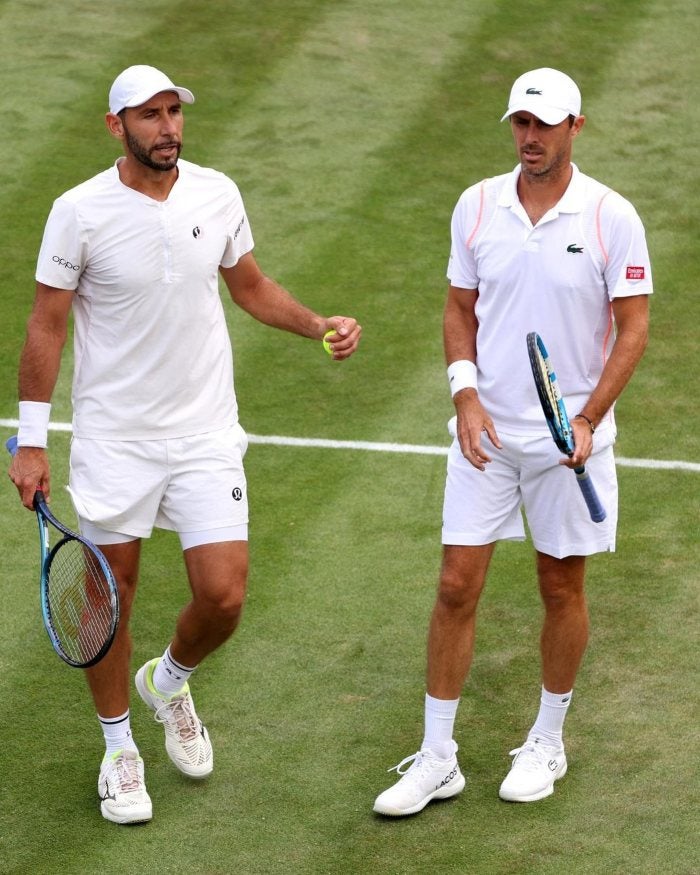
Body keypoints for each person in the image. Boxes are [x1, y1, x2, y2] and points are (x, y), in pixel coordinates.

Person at [9, 64, 361, 825]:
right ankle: (118, 750)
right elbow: (47, 324)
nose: (167, 126)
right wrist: (30, 442)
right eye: (150, 115)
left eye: (174, 112)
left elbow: (251, 286)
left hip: (205, 433)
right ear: (116, 127)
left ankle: (167, 682)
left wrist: (316, 323)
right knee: (109, 597)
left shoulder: (217, 193)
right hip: (115, 439)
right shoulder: (78, 213)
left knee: (225, 595)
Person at [373, 67, 651, 816]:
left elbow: (635, 328)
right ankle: (437, 757)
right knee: (455, 585)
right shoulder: (476, 206)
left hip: (572, 441)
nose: (530, 139)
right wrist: (464, 394)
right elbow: (458, 307)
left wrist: (588, 418)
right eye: (520, 125)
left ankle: (548, 739)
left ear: (575, 128)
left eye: (544, 125)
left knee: (561, 586)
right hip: (486, 436)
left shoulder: (610, 217)